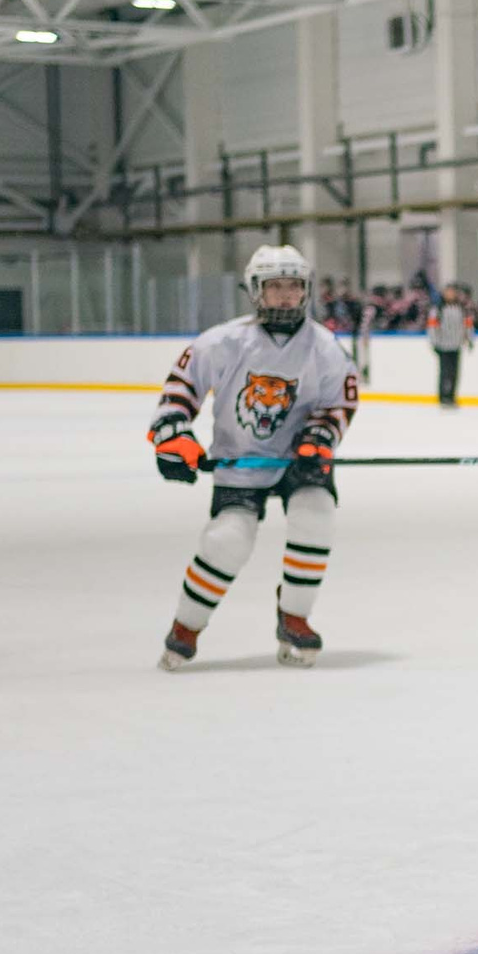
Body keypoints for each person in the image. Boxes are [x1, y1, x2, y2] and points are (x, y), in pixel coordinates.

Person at [148, 244, 358, 670]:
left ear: (306, 291)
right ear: (256, 291)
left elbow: (340, 402)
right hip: (239, 461)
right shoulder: (223, 342)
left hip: (298, 460)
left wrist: (319, 437)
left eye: (293, 286)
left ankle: (294, 617)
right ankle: (186, 627)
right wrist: (174, 437)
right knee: (228, 540)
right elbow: (179, 390)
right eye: (275, 286)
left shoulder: (325, 347)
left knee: (315, 515)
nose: (284, 295)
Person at [430, 283, 473, 407]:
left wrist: (469, 338)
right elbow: (432, 327)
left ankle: (452, 396)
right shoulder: (438, 309)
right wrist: (434, 342)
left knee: (454, 372)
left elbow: (467, 324)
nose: (450, 294)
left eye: (452, 292)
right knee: (445, 372)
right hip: (443, 345)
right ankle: (443, 396)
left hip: (456, 345)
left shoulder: (461, 308)